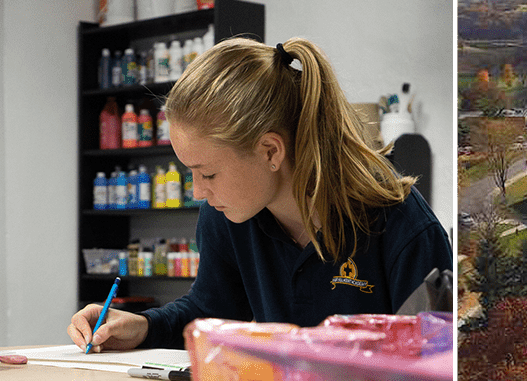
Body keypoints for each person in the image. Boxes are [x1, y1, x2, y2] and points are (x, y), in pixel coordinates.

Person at [68, 38, 455, 350]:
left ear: (270, 151)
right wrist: (144, 327)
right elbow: (212, 311)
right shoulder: (229, 213)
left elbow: (437, 367)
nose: (199, 192)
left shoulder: (401, 223)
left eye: (208, 173)